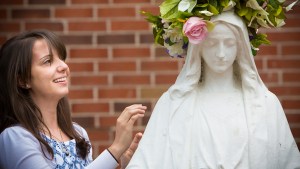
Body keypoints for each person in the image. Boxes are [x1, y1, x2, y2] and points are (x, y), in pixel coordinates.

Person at [126, 10, 300, 169]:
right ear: (198, 48)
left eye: (229, 43)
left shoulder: (265, 104)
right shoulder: (173, 103)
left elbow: (289, 163)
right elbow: (144, 162)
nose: (221, 53)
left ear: (241, 47)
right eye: (212, 44)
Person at [0, 30, 147, 169]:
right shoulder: (14, 137)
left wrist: (126, 164)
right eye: (47, 61)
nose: (64, 66)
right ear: (22, 80)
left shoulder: (78, 133)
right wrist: (116, 149)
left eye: (62, 59)